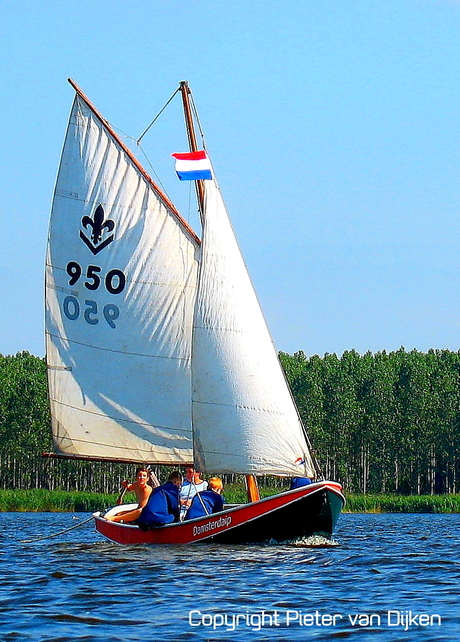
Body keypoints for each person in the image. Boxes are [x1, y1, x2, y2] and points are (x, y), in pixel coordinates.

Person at [104, 471, 183, 528]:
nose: (141, 478)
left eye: (144, 476)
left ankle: (116, 519)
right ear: (175, 481)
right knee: (174, 516)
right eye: (139, 476)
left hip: (143, 518)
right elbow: (175, 508)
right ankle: (116, 518)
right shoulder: (171, 489)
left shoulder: (152, 489)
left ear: (148, 478)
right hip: (152, 518)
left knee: (137, 512)